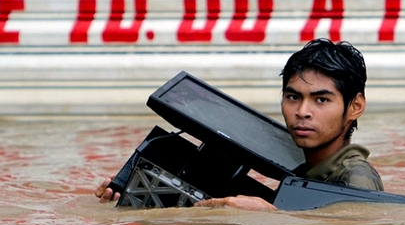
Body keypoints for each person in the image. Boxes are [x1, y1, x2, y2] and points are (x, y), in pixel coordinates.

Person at [94, 39, 383, 210]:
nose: (302, 112)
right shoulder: (305, 169)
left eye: (321, 100)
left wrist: (271, 216)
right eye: (293, 97)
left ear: (355, 106)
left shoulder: (356, 180)